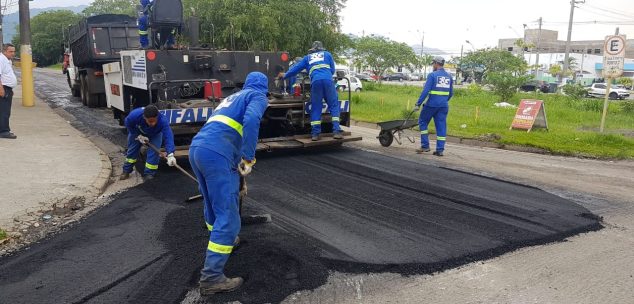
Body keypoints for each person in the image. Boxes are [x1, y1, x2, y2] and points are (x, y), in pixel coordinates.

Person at [188, 72, 269, 295]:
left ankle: (226, 241)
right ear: (264, 87)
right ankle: (212, 278)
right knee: (228, 215)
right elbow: (252, 121)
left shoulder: (232, 98)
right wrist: (248, 158)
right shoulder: (258, 96)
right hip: (217, 153)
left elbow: (228, 131)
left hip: (198, 150)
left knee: (212, 204)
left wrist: (239, 177)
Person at [281, 41, 342, 141]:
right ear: (322, 48)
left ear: (312, 49)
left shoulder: (307, 58)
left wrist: (284, 76)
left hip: (316, 82)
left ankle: (315, 134)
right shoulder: (327, 54)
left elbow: (295, 69)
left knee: (316, 107)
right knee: (334, 106)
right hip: (328, 81)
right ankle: (336, 132)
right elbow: (332, 70)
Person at [120, 105, 177, 181]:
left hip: (155, 134)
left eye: (154, 121)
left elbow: (168, 136)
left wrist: (170, 154)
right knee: (132, 150)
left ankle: (149, 173)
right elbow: (128, 123)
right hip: (138, 132)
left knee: (154, 152)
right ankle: (126, 170)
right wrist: (138, 135)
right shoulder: (135, 115)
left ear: (157, 117)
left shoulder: (163, 120)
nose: (152, 123)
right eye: (150, 121)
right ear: (144, 117)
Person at [413, 56, 453, 156]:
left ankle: (425, 146)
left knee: (422, 122)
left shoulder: (432, 75)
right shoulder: (449, 76)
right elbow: (451, 93)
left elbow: (425, 91)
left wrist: (418, 104)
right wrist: (443, 101)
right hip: (443, 106)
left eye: (433, 64)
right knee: (441, 127)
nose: (432, 66)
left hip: (431, 105)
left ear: (436, 63)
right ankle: (440, 150)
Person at [0, 43, 17, 139]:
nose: (13, 53)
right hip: (3, 88)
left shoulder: (7, 60)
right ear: (5, 51)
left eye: (14, 51)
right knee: (4, 111)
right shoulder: (1, 60)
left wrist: (10, 89)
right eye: (10, 51)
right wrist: (1, 89)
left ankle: (3, 130)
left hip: (7, 88)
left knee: (5, 110)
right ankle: (4, 131)